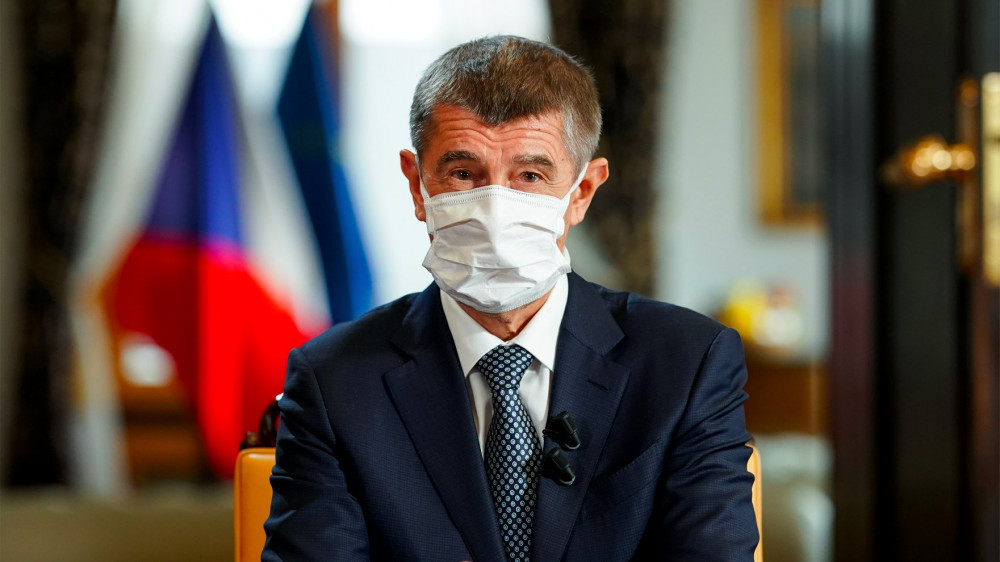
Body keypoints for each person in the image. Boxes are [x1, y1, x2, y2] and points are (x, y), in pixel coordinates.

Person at [263, 35, 758, 561]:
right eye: (463, 174)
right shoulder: (334, 380)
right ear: (417, 185)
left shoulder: (688, 364)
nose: (495, 210)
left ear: (582, 192)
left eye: (530, 176)